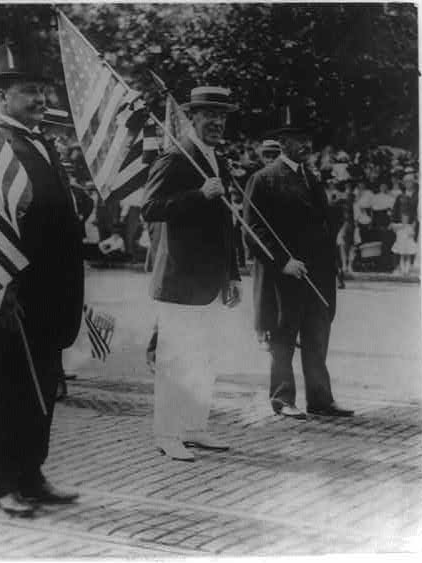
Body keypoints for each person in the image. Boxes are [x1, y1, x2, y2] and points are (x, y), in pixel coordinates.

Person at [0, 41, 84, 513]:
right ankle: (4, 481)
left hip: (51, 294)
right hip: (10, 293)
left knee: (42, 387)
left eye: (43, 91)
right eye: (30, 91)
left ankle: (32, 473)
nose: (40, 100)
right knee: (9, 390)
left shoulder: (43, 145)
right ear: (2, 98)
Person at [141, 86, 242, 461]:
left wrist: (232, 274)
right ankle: (167, 433)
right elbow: (149, 208)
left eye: (222, 116)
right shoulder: (176, 156)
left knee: (204, 358)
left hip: (212, 280)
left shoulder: (219, 160)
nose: (217, 122)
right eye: (209, 115)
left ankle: (195, 426)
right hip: (180, 279)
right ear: (193, 118)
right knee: (174, 360)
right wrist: (199, 194)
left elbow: (225, 224)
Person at [244, 103, 353, 420]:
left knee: (317, 337)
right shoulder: (264, 179)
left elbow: (324, 226)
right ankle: (282, 398)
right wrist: (282, 261)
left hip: (317, 275)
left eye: (307, 138)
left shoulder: (313, 178)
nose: (305, 144)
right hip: (286, 276)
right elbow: (253, 229)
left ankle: (320, 399)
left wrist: (334, 265)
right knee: (283, 338)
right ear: (283, 142)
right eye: (298, 138)